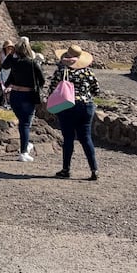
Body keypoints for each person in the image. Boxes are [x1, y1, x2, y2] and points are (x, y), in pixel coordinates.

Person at [48, 45, 100, 180]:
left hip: (67, 106)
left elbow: (52, 89)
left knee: (68, 138)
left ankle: (66, 169)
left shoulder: (61, 71)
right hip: (86, 105)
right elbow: (96, 90)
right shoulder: (88, 72)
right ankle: (94, 169)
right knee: (86, 138)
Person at [3, 36, 45, 161]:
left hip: (15, 95)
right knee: (25, 124)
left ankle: (25, 145)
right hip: (28, 95)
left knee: (22, 122)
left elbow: (5, 68)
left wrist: (11, 54)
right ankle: (24, 151)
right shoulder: (32, 63)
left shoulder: (14, 62)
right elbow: (41, 79)